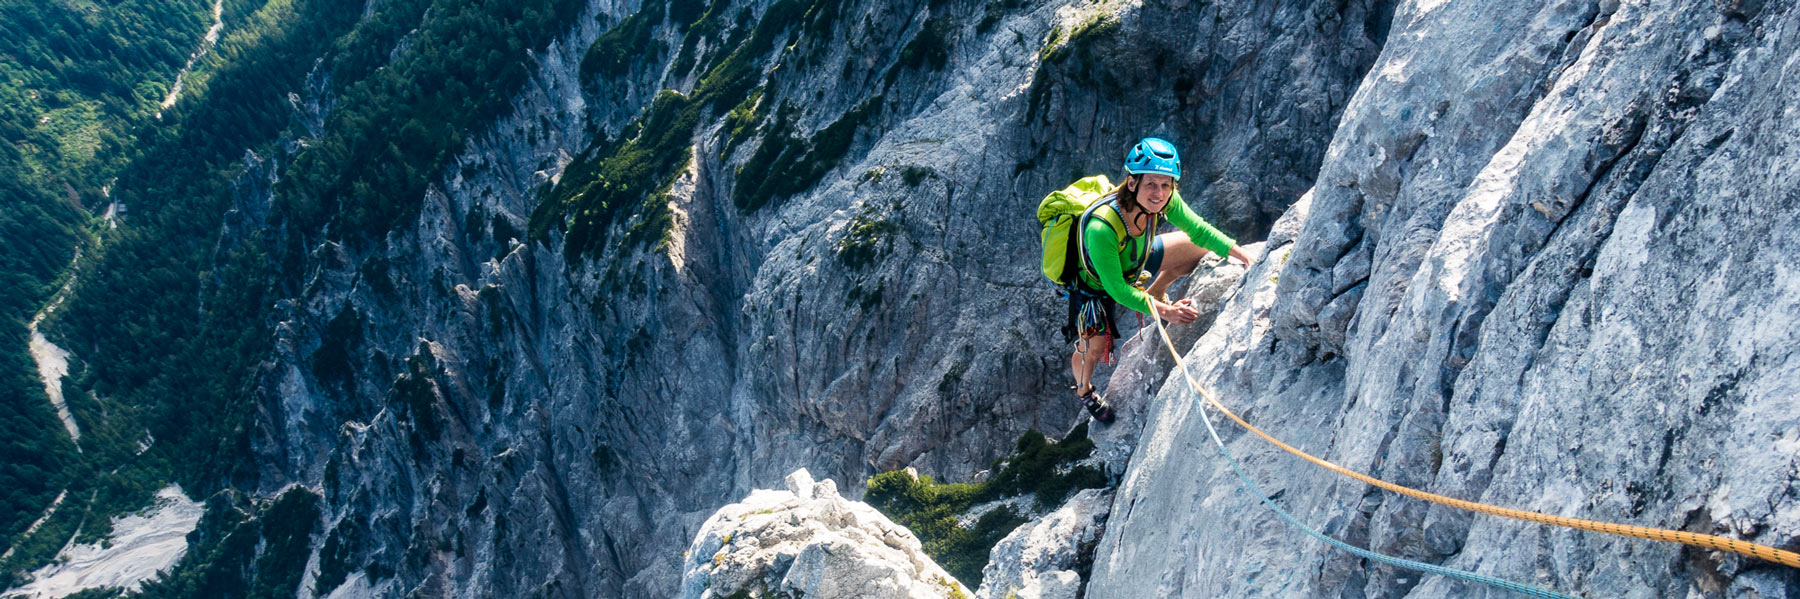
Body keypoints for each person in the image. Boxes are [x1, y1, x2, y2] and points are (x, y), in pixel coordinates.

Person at [1064, 137, 1254, 422]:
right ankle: (1085, 390)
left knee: (1197, 249)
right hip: (1095, 288)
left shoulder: (1164, 200)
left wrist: (1245, 257)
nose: (1159, 193)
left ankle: (1156, 290)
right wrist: (1168, 312)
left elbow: (1199, 230)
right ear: (1132, 183)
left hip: (1137, 256)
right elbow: (1117, 290)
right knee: (1094, 349)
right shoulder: (1101, 227)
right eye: (1151, 184)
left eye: (1166, 185)